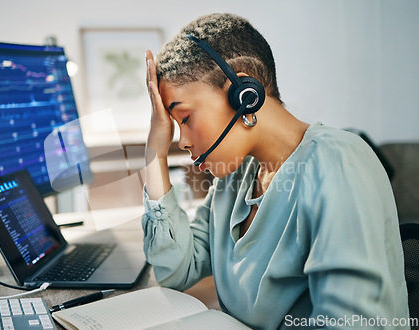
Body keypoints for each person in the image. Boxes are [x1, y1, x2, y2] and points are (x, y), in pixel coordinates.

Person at [142, 13, 409, 329]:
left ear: (245, 94)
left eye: (184, 118)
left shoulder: (337, 162)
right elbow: (176, 270)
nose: (182, 141)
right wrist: (154, 155)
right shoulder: (236, 178)